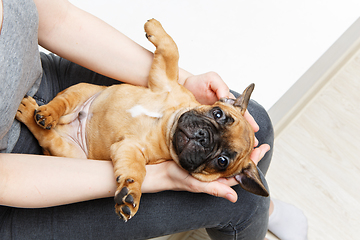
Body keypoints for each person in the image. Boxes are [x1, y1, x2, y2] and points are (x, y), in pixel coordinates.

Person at [0, 0, 307, 239]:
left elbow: (59, 20)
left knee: (260, 125)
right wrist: (161, 177)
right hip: (22, 171)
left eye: (220, 115)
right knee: (243, 203)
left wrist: (184, 83)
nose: (204, 138)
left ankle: (256, 216)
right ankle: (254, 218)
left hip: (55, 84)